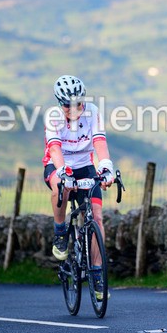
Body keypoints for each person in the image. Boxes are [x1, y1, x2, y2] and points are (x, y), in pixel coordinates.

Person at [43, 75, 115, 299]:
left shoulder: (92, 112)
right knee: (60, 186)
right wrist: (64, 172)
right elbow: (54, 149)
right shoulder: (53, 116)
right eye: (68, 105)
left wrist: (106, 166)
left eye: (78, 104)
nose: (74, 110)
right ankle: (60, 232)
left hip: (85, 166)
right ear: (59, 103)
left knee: (96, 217)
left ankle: (97, 274)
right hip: (58, 164)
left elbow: (99, 142)